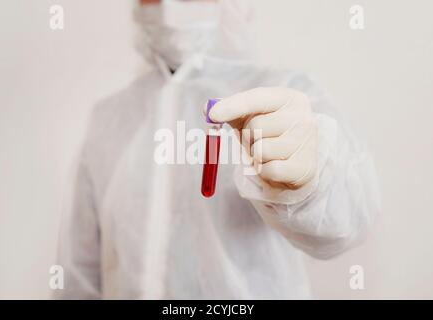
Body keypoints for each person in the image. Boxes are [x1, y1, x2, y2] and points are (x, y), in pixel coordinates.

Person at [55, 0, 380, 299]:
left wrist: (312, 179)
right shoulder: (108, 119)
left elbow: (352, 213)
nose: (170, 5)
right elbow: (79, 274)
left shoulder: (284, 94)